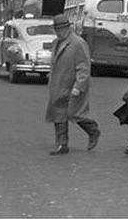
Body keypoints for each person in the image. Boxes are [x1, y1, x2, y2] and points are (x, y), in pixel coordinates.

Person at [45, 13, 100, 155]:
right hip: (58, 84)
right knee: (59, 114)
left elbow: (84, 68)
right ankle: (62, 145)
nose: (58, 33)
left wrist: (78, 86)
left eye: (60, 30)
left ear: (67, 28)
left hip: (72, 85)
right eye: (56, 30)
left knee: (74, 113)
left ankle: (92, 129)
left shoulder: (78, 43)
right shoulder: (56, 43)